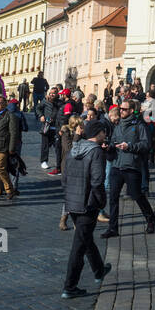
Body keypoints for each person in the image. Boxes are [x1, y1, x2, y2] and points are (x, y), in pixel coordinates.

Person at [60, 119, 113, 297]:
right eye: (104, 132)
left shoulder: (74, 149)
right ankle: (70, 286)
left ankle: (98, 270)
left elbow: (64, 177)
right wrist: (100, 202)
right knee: (79, 245)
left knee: (85, 237)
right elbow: (97, 182)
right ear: (98, 133)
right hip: (87, 203)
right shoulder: (96, 152)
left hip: (72, 202)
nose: (105, 135)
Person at [100, 100, 155, 239]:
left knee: (136, 195)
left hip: (131, 166)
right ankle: (113, 228)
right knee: (113, 198)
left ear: (131, 110)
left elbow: (146, 145)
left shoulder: (139, 125)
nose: (121, 111)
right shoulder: (118, 125)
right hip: (117, 165)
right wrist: (108, 147)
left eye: (124, 109)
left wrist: (130, 146)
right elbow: (114, 141)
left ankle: (151, 218)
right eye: (120, 109)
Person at [39, 89, 62, 174]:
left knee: (57, 146)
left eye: (54, 93)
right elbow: (38, 108)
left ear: (57, 94)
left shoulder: (60, 103)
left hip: (56, 127)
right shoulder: (45, 101)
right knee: (45, 145)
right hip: (46, 126)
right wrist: (41, 116)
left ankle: (58, 161)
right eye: (50, 93)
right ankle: (44, 161)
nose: (52, 95)